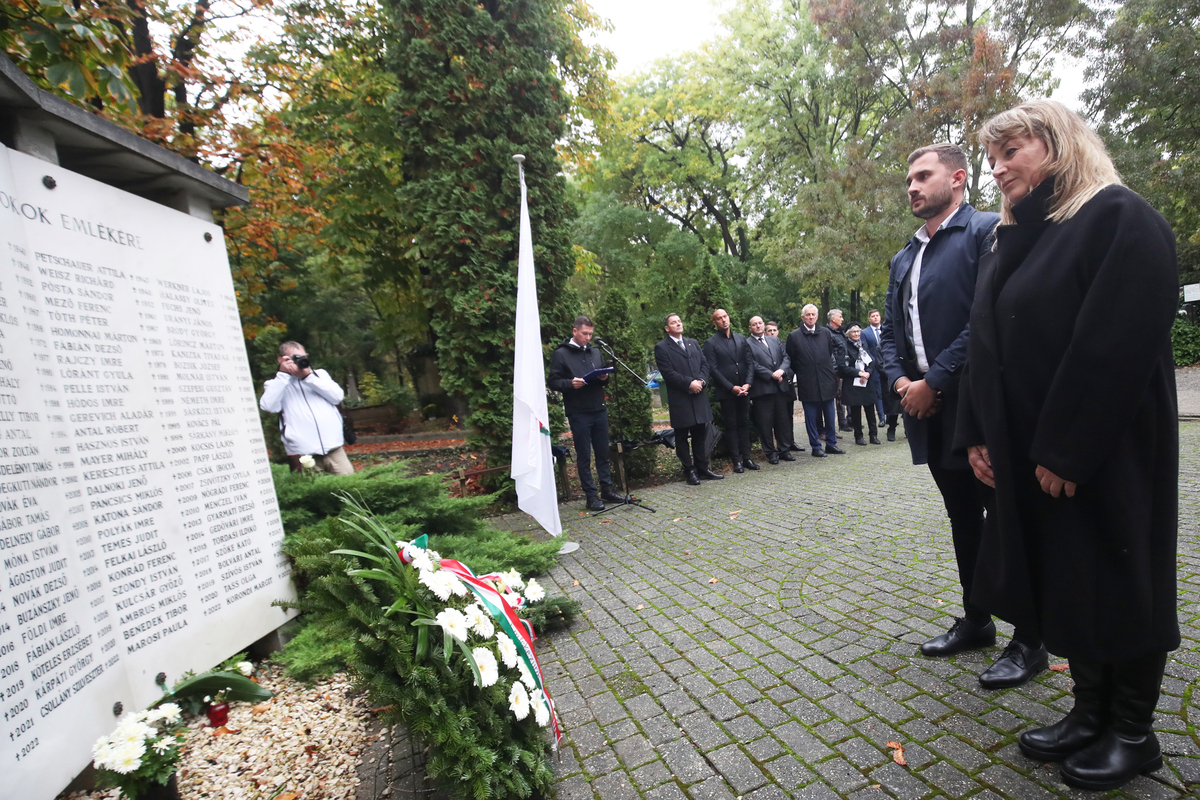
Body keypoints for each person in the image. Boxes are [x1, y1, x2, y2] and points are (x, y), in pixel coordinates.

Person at [957, 100, 1179, 790]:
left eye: (1010, 153)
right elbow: (986, 342)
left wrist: (1068, 448)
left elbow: (1113, 345)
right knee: (1073, 583)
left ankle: (1134, 733)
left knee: (1121, 577)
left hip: (1105, 453)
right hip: (1036, 454)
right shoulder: (1019, 238)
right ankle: (1089, 714)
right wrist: (978, 433)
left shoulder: (1118, 218)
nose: (997, 170)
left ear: (1057, 145)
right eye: (991, 159)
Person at [879, 142, 1047, 689]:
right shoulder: (904, 255)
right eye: (909, 178)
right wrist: (903, 381)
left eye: (922, 175)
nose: (912, 186)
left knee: (1006, 516)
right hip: (925, 409)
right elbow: (887, 333)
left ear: (957, 179)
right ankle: (977, 620)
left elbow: (989, 320)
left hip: (980, 406)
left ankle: (1031, 637)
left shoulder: (983, 232)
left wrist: (937, 379)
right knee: (961, 517)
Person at [548, 315, 627, 511]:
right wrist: (570, 384)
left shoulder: (595, 352)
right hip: (579, 411)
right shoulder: (562, 354)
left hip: (599, 408)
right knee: (584, 454)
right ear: (575, 331)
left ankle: (607, 489)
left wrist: (604, 377)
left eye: (590, 334)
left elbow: (602, 379)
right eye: (584, 333)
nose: (588, 338)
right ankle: (591, 496)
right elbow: (553, 381)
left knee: (602, 451)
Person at [260, 341, 353, 475]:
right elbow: (268, 406)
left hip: (334, 449)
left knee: (350, 487)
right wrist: (283, 375)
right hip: (304, 454)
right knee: (312, 492)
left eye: (303, 357)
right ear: (281, 360)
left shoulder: (320, 375)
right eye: (295, 358)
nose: (300, 361)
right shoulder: (276, 384)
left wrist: (308, 377)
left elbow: (337, 397)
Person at [654, 313, 723, 485]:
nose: (678, 324)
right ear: (667, 328)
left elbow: (704, 364)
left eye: (679, 321)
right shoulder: (662, 347)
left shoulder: (692, 343)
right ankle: (689, 470)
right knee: (682, 437)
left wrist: (700, 381)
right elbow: (668, 373)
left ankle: (703, 468)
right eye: (673, 322)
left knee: (700, 434)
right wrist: (688, 384)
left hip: (699, 395)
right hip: (681, 398)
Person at [785, 304, 855, 457]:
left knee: (830, 416)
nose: (811, 317)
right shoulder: (794, 336)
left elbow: (829, 353)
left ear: (817, 316)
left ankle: (831, 444)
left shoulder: (825, 333)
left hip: (826, 381)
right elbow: (792, 360)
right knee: (811, 418)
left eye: (813, 315)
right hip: (807, 382)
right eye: (808, 315)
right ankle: (816, 447)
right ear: (803, 317)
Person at [703, 309, 758, 473]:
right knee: (731, 425)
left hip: (744, 389)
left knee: (744, 423)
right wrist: (731, 387)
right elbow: (713, 369)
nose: (723, 320)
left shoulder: (741, 339)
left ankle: (747, 457)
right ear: (715, 323)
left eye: (725, 317)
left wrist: (748, 383)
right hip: (727, 392)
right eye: (719, 319)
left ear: (729, 318)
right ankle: (736, 460)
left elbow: (749, 362)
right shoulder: (711, 343)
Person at [746, 315, 795, 464]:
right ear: (750, 328)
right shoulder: (747, 344)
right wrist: (771, 375)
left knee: (782, 420)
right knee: (765, 423)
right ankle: (771, 453)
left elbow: (786, 357)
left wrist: (781, 370)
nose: (758, 326)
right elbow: (752, 364)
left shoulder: (774, 340)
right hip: (763, 389)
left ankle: (784, 450)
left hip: (780, 388)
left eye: (760, 323)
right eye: (754, 324)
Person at [766, 321, 804, 453]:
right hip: (774, 385)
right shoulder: (763, 347)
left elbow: (790, 361)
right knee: (779, 418)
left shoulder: (784, 345)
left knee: (789, 416)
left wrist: (785, 373)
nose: (772, 333)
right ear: (765, 332)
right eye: (769, 330)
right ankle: (782, 444)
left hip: (787, 385)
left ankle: (791, 441)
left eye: (774, 330)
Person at [840, 324, 879, 445]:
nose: (856, 334)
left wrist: (867, 373)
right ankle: (859, 436)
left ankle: (873, 435)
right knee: (856, 410)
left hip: (866, 381)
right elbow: (842, 367)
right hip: (853, 382)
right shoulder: (844, 346)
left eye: (858, 331)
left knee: (870, 408)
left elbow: (871, 361)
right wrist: (859, 373)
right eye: (853, 332)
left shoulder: (863, 344)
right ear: (848, 334)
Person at [862, 309, 899, 438]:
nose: (876, 318)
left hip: (901, 376)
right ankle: (890, 427)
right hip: (885, 377)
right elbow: (877, 361)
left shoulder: (896, 343)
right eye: (873, 316)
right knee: (891, 403)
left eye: (878, 315)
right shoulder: (874, 342)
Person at [826, 309, 853, 432]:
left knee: (848, 393)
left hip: (846, 368)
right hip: (836, 370)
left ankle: (851, 418)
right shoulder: (827, 333)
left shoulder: (841, 333)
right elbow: (829, 353)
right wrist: (836, 369)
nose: (842, 319)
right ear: (833, 319)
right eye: (840, 317)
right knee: (839, 396)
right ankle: (842, 422)